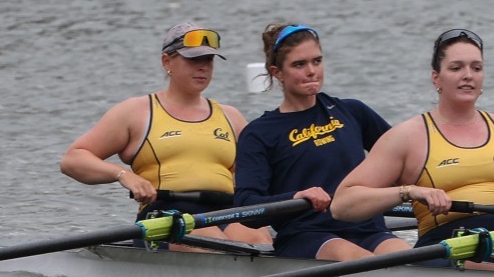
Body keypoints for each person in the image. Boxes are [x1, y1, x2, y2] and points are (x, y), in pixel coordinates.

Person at [331, 28, 494, 262]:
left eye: (476, 68)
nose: (468, 75)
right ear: (436, 78)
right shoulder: (407, 137)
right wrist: (409, 192)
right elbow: (342, 205)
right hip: (447, 239)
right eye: (456, 68)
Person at [59, 23, 271, 243]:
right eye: (193, 59)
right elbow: (73, 159)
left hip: (226, 210)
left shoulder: (231, 116)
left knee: (258, 238)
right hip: (166, 214)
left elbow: (266, 170)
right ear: (166, 61)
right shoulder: (136, 112)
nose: (203, 67)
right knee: (209, 239)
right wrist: (123, 175)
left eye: (208, 59)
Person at [232, 24, 414, 262]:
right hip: (306, 235)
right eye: (299, 64)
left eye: (316, 61)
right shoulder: (259, 133)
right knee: (361, 260)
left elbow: (408, 163)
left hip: (368, 229)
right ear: (277, 72)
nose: (312, 71)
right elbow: (246, 206)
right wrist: (296, 196)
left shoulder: (353, 112)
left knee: (409, 259)